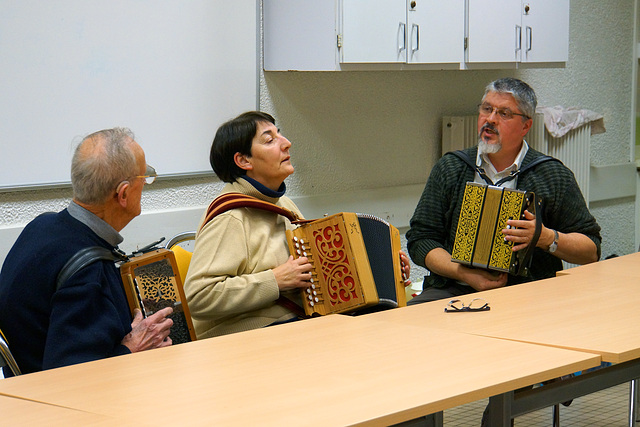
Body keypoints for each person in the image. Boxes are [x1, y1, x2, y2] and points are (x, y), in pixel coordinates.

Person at [184, 111, 411, 339]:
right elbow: (198, 297)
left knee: (389, 329)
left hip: (294, 328)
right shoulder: (231, 217)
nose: (287, 144)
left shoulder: (283, 204)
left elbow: (315, 276)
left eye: (279, 135)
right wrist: (275, 280)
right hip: (247, 338)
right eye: (270, 140)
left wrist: (385, 269)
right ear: (244, 161)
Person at [407, 77, 601, 305]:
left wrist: (545, 237)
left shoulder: (551, 174)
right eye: (486, 109)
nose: (490, 119)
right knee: (411, 322)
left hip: (529, 294)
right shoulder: (452, 167)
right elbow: (421, 240)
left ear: (526, 126)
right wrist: (463, 273)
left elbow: (591, 249)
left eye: (504, 113)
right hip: (453, 288)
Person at [0, 128, 173, 377]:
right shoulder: (87, 271)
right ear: (123, 194)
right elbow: (73, 377)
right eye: (144, 177)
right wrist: (133, 348)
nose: (146, 184)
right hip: (56, 405)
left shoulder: (41, 226)